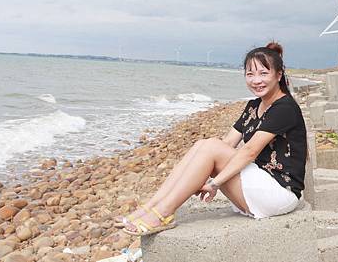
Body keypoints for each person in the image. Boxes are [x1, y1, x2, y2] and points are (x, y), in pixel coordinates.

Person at [120, 42, 307, 236]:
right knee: (204, 144)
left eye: (263, 73)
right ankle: (150, 207)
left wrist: (214, 183)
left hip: (278, 193)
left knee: (210, 147)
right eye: (250, 74)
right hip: (257, 185)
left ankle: (163, 213)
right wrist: (201, 171)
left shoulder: (284, 107)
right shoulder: (254, 105)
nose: (256, 80)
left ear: (278, 75)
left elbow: (249, 152)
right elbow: (226, 145)